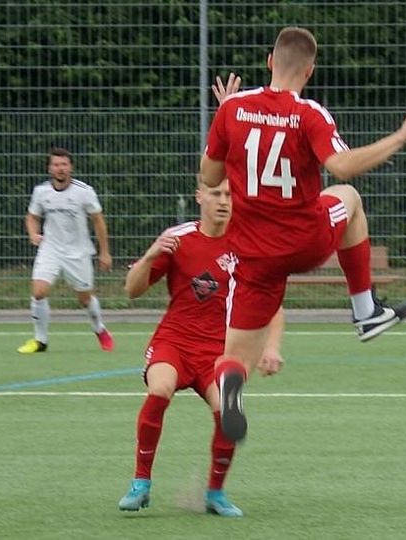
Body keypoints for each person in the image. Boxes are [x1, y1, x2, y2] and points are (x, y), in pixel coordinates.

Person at [199, 27, 406, 442]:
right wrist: (401, 135)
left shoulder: (232, 109)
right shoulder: (309, 114)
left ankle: (231, 382)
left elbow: (210, 176)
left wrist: (224, 122)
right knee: (348, 197)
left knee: (234, 357)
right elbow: (342, 167)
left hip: (253, 255)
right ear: (309, 71)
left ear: (270, 61)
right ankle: (365, 311)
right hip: (304, 241)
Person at [117, 77, 284, 518]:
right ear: (199, 196)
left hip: (219, 351)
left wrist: (272, 346)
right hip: (175, 342)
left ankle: (214, 493)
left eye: (230, 193)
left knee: (229, 409)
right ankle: (141, 482)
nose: (224, 200)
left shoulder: (248, 245)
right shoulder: (178, 239)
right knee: (160, 390)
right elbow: (131, 290)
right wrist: (151, 253)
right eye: (216, 193)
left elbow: (272, 302)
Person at [17, 147, 114, 354]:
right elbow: (32, 216)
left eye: (64, 164)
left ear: (71, 167)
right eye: (56, 164)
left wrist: (104, 252)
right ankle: (40, 340)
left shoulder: (84, 192)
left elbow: (98, 221)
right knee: (38, 292)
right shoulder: (41, 191)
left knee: (85, 299)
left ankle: (99, 329)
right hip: (50, 249)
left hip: (78, 252)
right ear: (49, 168)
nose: (60, 168)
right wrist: (33, 234)